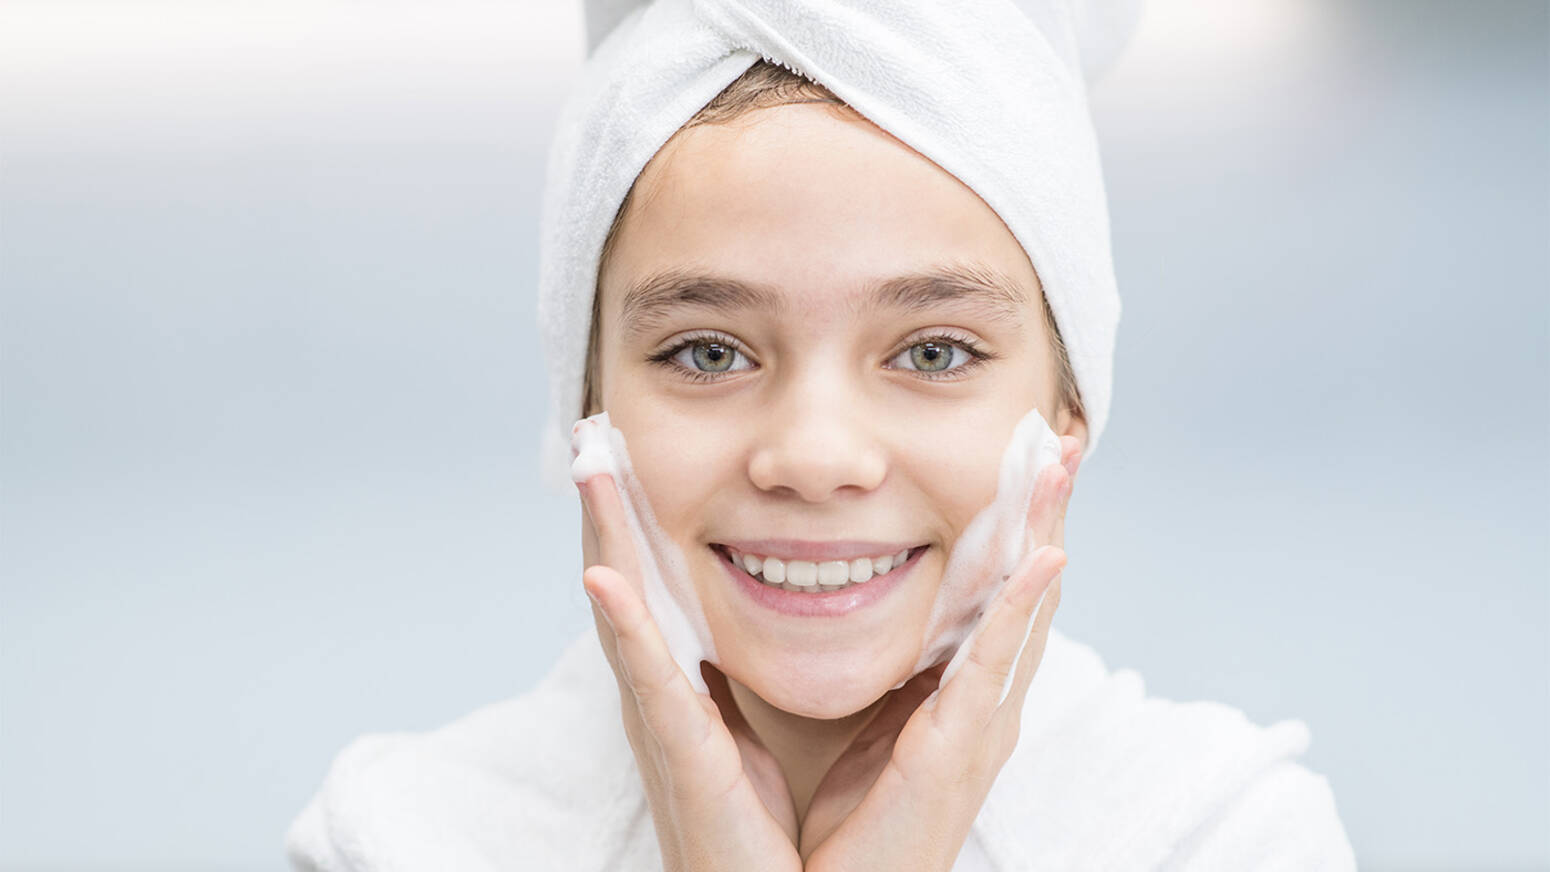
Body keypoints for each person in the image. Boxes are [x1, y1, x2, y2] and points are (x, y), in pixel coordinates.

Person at [287, 8, 1358, 871]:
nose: (812, 455)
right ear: (585, 406)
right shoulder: (398, 838)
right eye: (707, 353)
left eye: (932, 352)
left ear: (1066, 408)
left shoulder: (1220, 838)